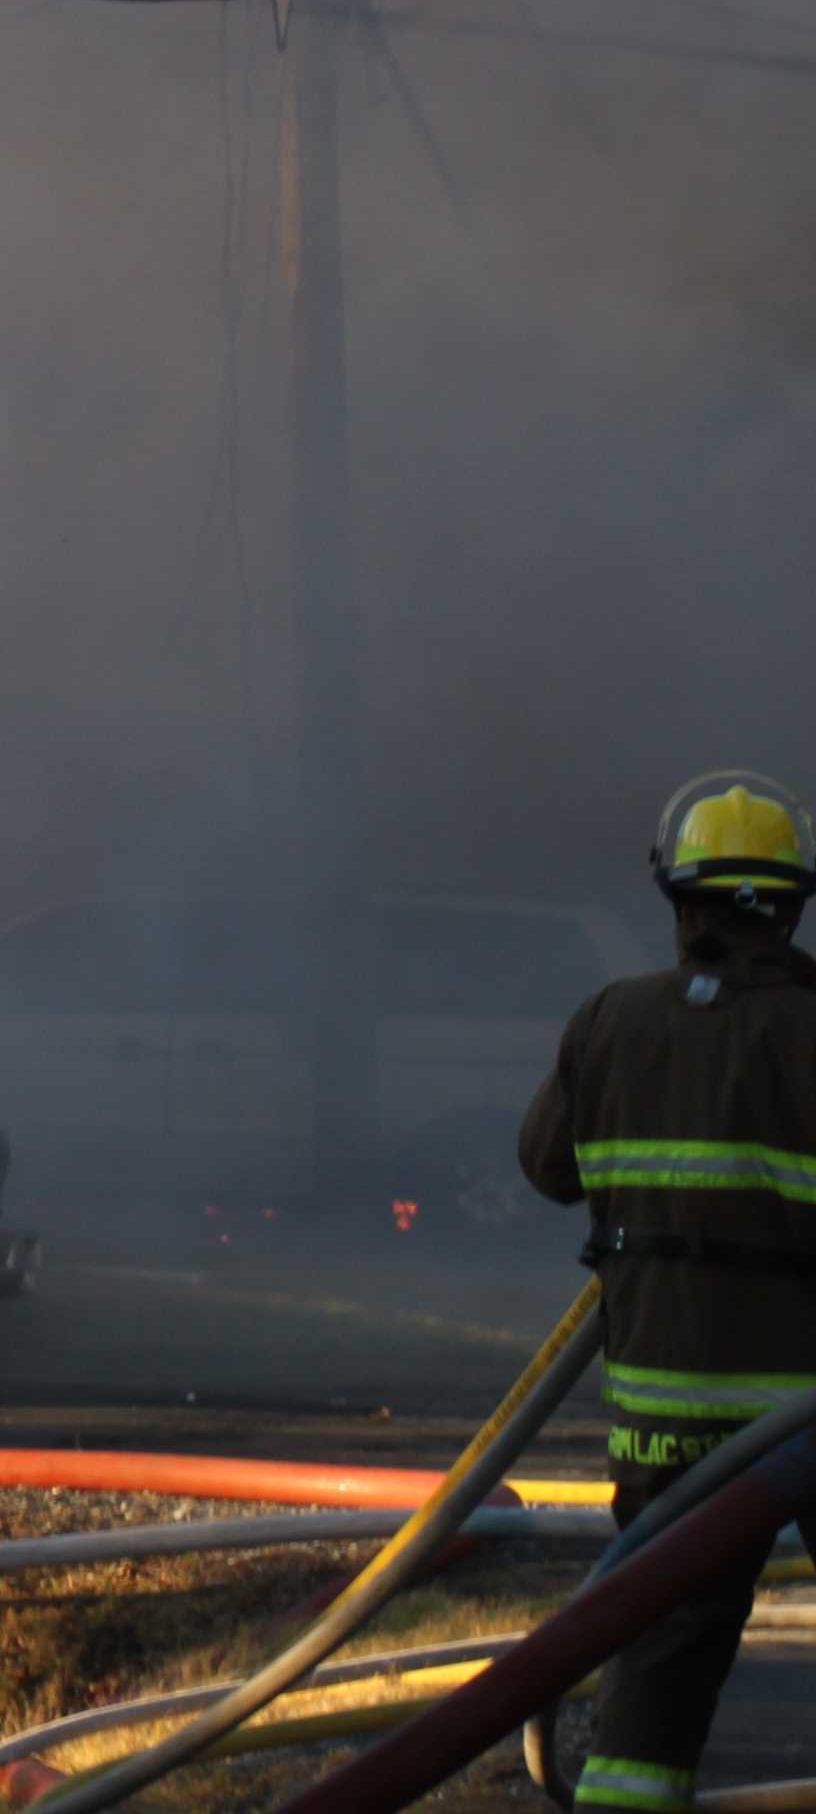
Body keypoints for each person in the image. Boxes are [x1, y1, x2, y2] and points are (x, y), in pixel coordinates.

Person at [520, 771, 816, 1814]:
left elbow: (549, 1168)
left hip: (663, 1415)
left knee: (661, 1652)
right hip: (805, 1412)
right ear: (790, 904)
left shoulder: (611, 1022)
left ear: (679, 903)